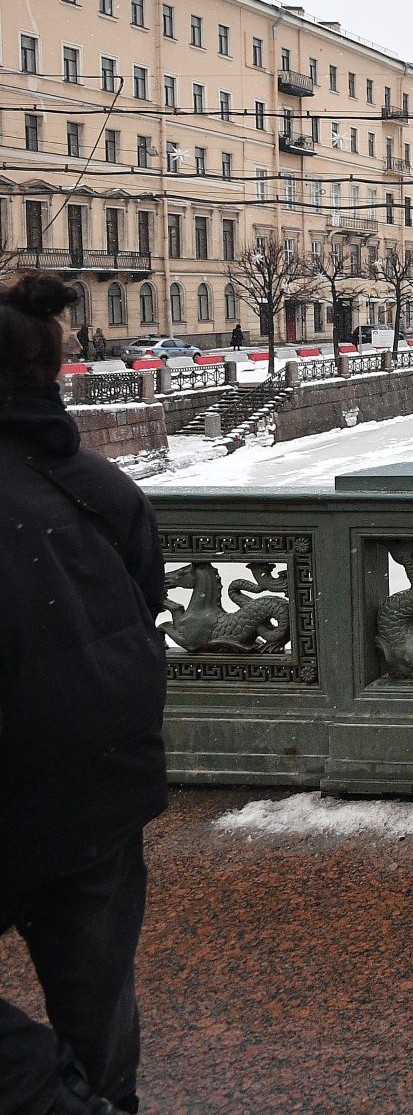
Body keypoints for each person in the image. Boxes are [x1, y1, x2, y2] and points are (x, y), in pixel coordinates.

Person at [0, 272, 169, 1115]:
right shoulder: (103, 488)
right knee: (99, 1007)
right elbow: (147, 605)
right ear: (57, 374)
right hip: (99, 789)